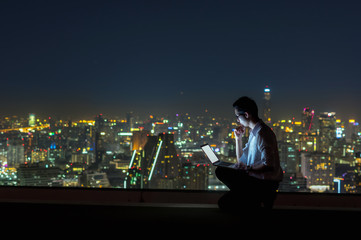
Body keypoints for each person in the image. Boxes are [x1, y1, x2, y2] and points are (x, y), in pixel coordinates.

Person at [215, 96, 283, 212]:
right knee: (220, 170)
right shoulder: (254, 132)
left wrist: (248, 169)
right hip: (254, 178)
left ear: (246, 115)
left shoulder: (262, 133)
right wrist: (238, 139)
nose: (237, 120)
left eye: (238, 116)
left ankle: (250, 199)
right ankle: (247, 198)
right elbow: (241, 160)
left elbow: (269, 165)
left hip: (263, 183)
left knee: (224, 203)